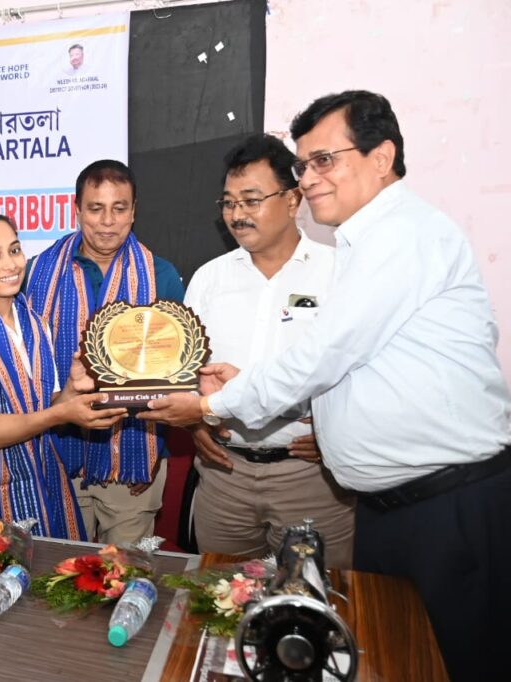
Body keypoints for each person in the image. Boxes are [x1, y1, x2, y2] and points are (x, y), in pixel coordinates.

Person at [138, 91, 510, 680]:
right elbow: (351, 366)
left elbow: (322, 356)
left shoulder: (402, 237)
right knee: (385, 655)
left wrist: (210, 404)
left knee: (445, 660)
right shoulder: (364, 244)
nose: (309, 178)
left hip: (443, 506)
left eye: (324, 161)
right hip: (390, 506)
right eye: (304, 163)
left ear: (381, 157)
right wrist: (234, 391)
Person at [185, 134, 354, 567]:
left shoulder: (339, 272)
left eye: (251, 200)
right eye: (228, 203)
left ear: (293, 199)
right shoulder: (209, 279)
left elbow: (364, 371)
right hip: (225, 476)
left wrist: (338, 436)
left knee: (316, 598)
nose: (237, 214)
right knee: (218, 595)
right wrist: (195, 423)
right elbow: (186, 371)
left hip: (310, 479)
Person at [0, 212, 127, 539]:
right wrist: (60, 413)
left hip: (35, 477)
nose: (10, 264)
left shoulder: (33, 324)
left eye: (15, 250)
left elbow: (44, 408)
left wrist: (71, 390)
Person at [25, 159, 185, 545]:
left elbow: (174, 373)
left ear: (134, 211)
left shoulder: (160, 275)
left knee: (124, 572)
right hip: (57, 456)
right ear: (77, 209)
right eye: (96, 208)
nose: (108, 222)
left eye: (119, 208)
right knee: (60, 569)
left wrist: (152, 453)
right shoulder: (35, 273)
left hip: (130, 457)